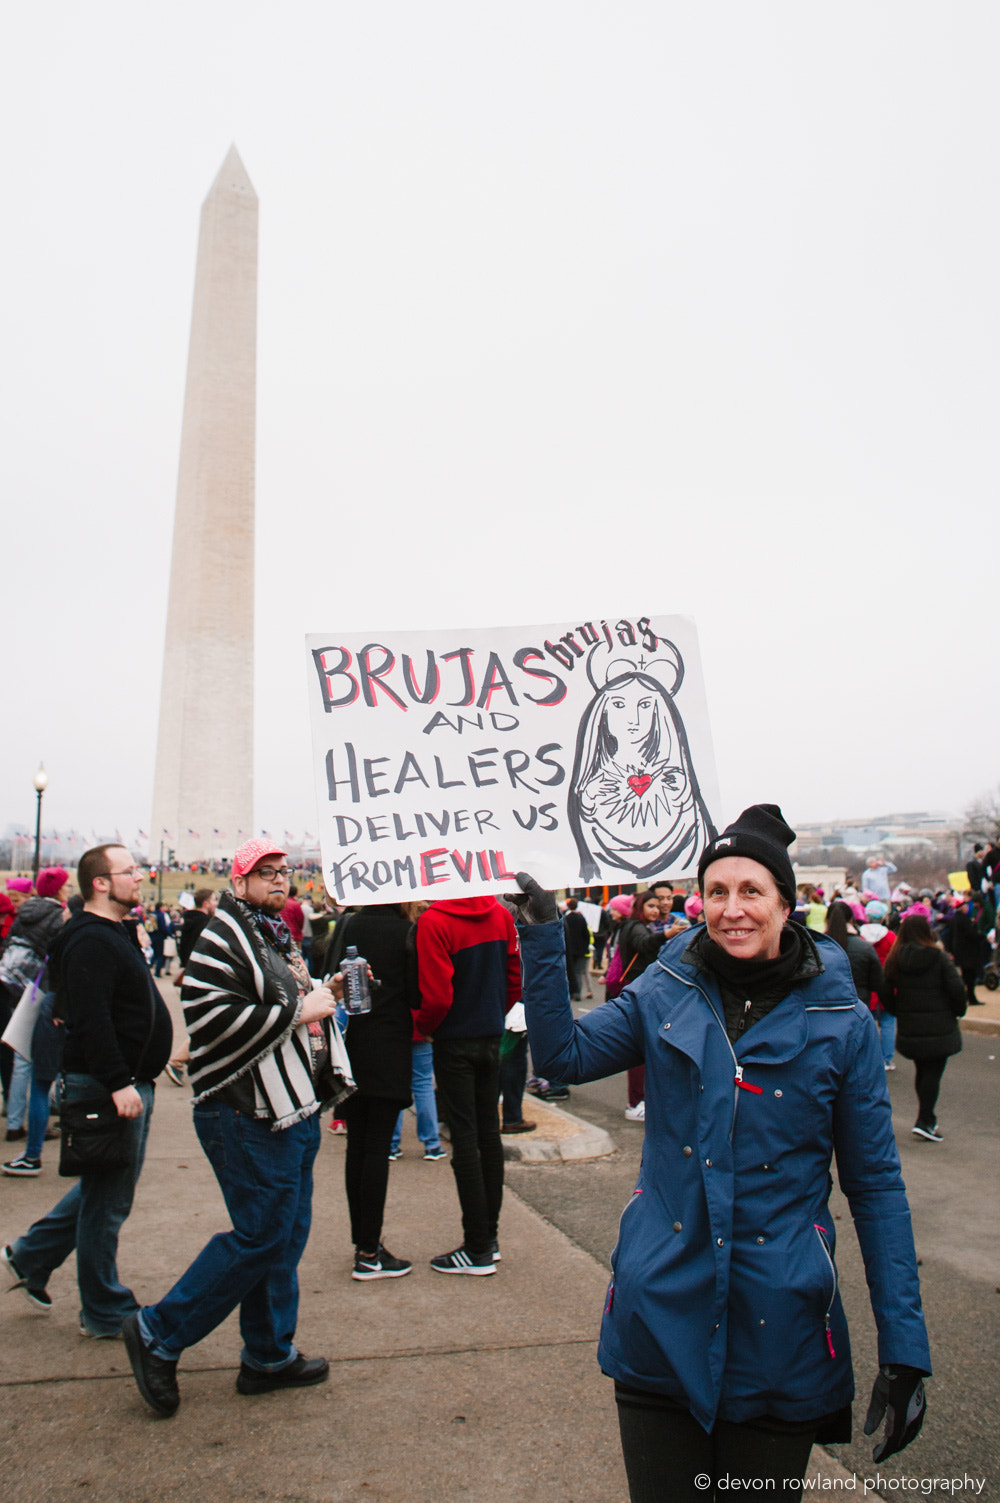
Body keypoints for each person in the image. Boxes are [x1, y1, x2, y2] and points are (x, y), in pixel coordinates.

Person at [513, 804, 930, 1502]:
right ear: (699, 898)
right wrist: (542, 933)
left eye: (751, 891)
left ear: (786, 904)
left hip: (782, 1331)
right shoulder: (664, 987)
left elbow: (877, 1188)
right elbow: (563, 1054)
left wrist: (905, 1346)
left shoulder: (842, 1021)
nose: (732, 909)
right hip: (660, 1314)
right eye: (716, 891)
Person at [121, 840, 353, 1416]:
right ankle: (157, 1332)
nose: (279, 881)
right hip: (243, 1110)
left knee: (285, 1235)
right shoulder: (223, 935)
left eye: (284, 872)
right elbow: (207, 1014)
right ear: (239, 881)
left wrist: (329, 994)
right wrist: (303, 1009)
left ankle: (268, 1355)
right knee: (260, 1236)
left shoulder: (273, 936)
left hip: (290, 1107)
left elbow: (291, 1005)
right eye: (265, 874)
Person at [2, 846, 173, 1336]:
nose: (139, 877)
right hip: (106, 1087)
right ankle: (102, 1309)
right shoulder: (91, 940)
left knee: (102, 1187)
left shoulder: (108, 933)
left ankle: (30, 1257)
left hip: (119, 1081)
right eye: (129, 872)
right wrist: (119, 1083)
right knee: (108, 1202)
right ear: (101, 882)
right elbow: (93, 1020)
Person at [413, 895, 521, 1274]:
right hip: (491, 1034)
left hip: (454, 1040)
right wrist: (494, 1013)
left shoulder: (434, 921)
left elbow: (438, 995)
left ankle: (476, 1247)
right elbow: (514, 978)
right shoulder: (499, 914)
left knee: (466, 1139)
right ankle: (487, 1240)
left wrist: (423, 1026)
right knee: (489, 1136)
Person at [326, 902, 419, 1279]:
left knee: (358, 1148)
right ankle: (369, 1251)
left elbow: (328, 974)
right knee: (377, 1149)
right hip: (391, 1044)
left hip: (355, 1043)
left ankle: (362, 1243)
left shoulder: (349, 924)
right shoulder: (406, 932)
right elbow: (416, 994)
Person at [883, 914, 967, 1143]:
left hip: (911, 1025)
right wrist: (959, 1011)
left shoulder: (896, 958)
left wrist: (898, 1010)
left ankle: (927, 1118)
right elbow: (956, 988)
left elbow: (885, 989)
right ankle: (925, 1119)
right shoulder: (938, 956)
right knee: (933, 1072)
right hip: (940, 1024)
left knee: (923, 1070)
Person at [618, 892, 685, 1122]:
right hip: (638, 988)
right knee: (640, 1046)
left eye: (658, 906)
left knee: (646, 1046)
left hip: (640, 988)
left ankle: (640, 1101)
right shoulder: (636, 926)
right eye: (651, 905)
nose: (656, 910)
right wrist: (667, 934)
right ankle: (635, 1103)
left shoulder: (639, 925)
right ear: (640, 906)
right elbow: (644, 944)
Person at [563, 898, 591, 1001]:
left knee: (570, 970)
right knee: (579, 971)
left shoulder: (566, 918)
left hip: (570, 948)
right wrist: (586, 945)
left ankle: (571, 991)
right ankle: (577, 992)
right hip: (581, 948)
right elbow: (586, 933)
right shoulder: (581, 918)